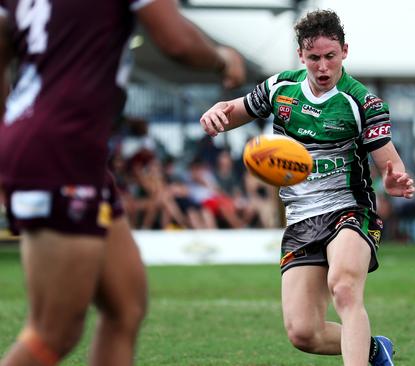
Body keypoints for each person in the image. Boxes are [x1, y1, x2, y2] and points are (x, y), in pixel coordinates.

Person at [0, 0, 245, 365]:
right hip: (61, 148)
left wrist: (15, 130)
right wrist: (223, 58)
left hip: (63, 147)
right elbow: (176, 41)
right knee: (54, 332)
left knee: (125, 306)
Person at [200, 9, 414, 366]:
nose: (323, 67)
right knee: (303, 333)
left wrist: (394, 179)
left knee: (344, 290)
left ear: (344, 51)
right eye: (314, 58)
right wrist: (215, 116)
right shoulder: (280, 89)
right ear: (301, 55)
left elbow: (391, 164)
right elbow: (230, 111)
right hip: (300, 217)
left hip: (349, 209)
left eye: (330, 56)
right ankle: (374, 349)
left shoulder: (362, 102)